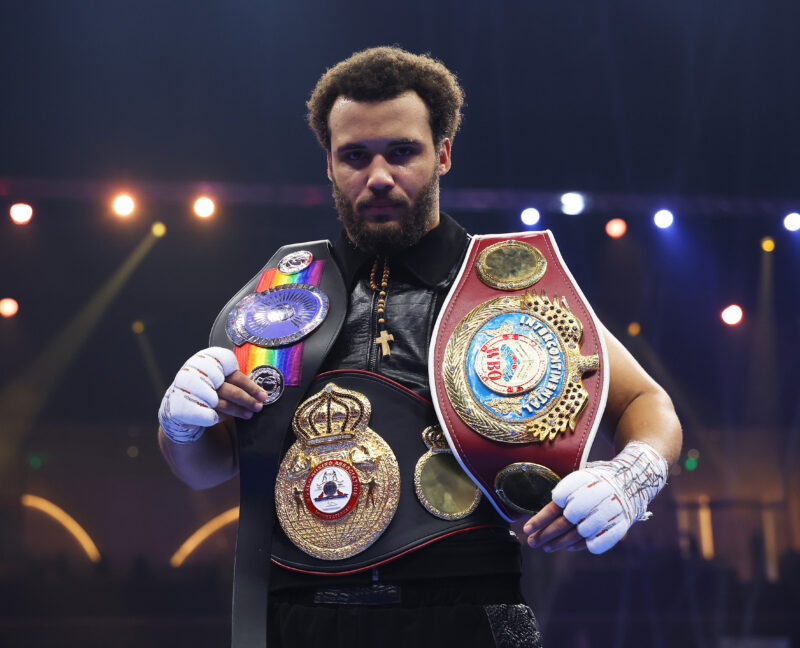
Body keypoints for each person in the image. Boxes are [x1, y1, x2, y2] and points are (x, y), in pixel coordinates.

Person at [158, 46, 682, 647]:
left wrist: (631, 476)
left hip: (468, 613)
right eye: (355, 156)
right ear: (329, 165)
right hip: (299, 616)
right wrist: (180, 425)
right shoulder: (281, 294)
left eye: (402, 151)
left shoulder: (510, 284)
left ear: (444, 154)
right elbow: (209, 468)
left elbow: (647, 402)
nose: (378, 175)